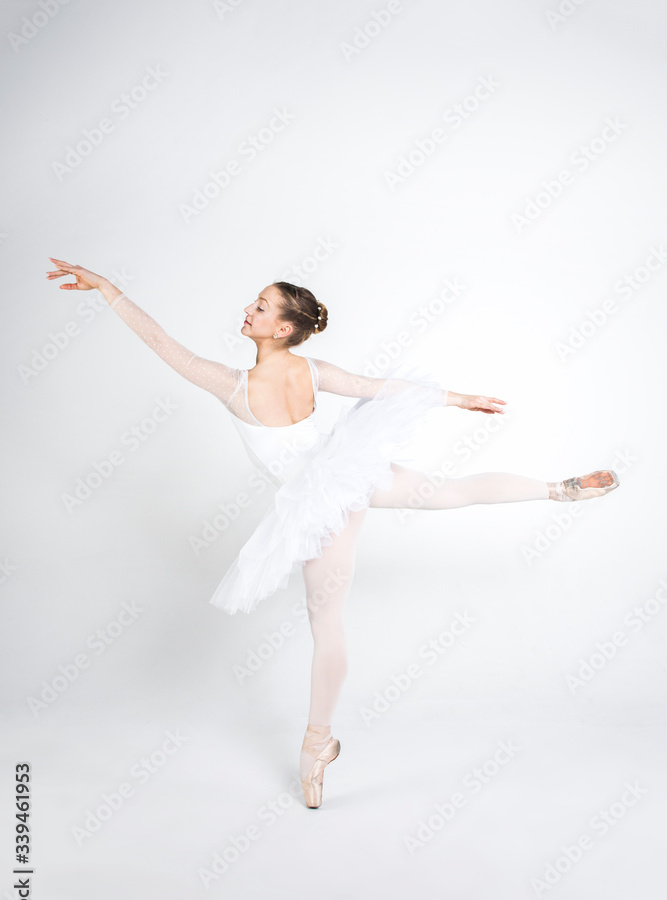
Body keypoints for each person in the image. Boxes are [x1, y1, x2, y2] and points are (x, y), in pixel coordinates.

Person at [46, 258, 620, 808]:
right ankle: (558, 489)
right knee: (449, 490)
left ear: (285, 327)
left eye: (262, 305)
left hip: (320, 502)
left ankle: (317, 743)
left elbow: (162, 344)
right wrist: (454, 398)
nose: (249, 308)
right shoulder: (309, 372)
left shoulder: (231, 384)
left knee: (328, 624)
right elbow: (380, 387)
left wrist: (107, 290)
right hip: (350, 470)